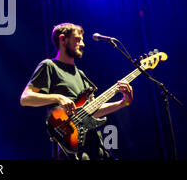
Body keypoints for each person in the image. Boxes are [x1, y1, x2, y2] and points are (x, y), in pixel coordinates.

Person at [20, 23, 133, 160]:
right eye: (78, 40)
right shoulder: (49, 66)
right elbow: (25, 98)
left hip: (96, 146)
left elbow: (93, 111)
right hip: (73, 150)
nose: (83, 44)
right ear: (63, 39)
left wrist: (123, 102)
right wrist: (58, 97)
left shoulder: (81, 74)